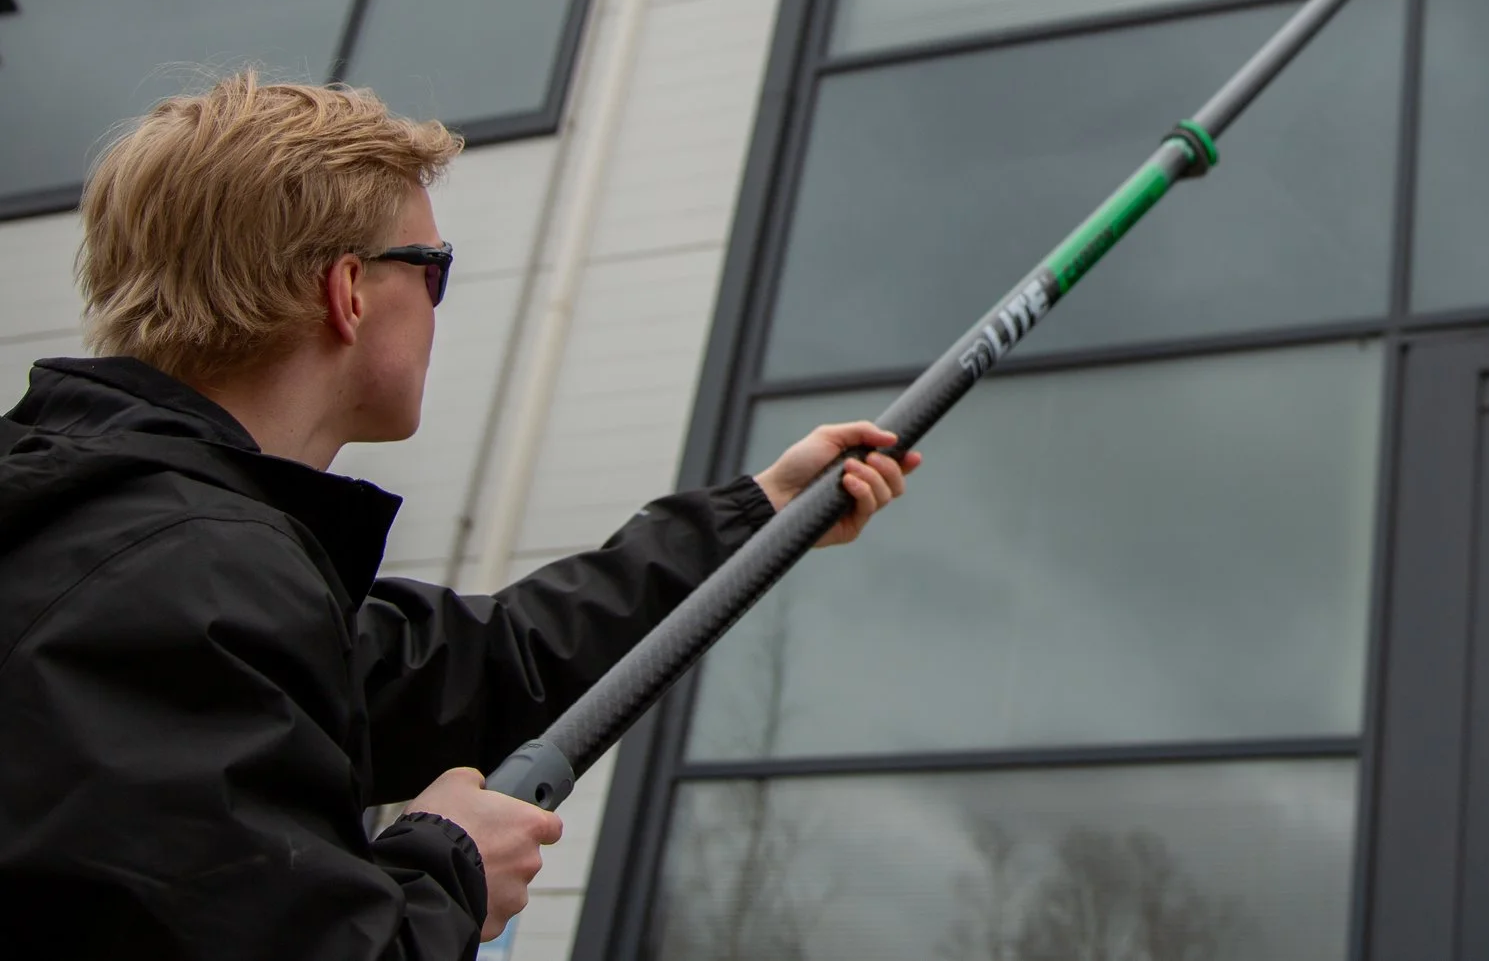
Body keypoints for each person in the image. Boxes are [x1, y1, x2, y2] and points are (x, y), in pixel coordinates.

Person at [0, 74, 921, 958]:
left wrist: (758, 513)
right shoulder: (176, 583)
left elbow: (496, 659)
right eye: (432, 268)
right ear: (348, 290)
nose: (439, 303)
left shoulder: (145, 554)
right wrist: (450, 863)